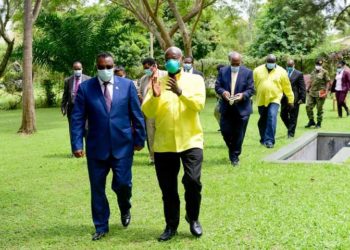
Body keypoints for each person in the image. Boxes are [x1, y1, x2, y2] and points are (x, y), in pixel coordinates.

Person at [71, 52, 146, 241]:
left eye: (108, 67)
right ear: (96, 68)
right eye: (101, 67)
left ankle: (125, 206)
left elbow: (136, 115)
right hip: (96, 147)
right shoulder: (86, 88)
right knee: (97, 188)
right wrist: (77, 143)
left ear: (114, 67)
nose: (105, 70)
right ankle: (101, 226)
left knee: (122, 184)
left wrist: (139, 139)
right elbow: (78, 117)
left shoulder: (127, 85)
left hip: (123, 146)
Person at [142, 47, 206, 241]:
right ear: (164, 61)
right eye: (168, 58)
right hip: (164, 144)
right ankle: (171, 225)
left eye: (175, 57)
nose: (171, 61)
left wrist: (180, 93)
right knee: (168, 188)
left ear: (182, 60)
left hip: (191, 141)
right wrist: (155, 95)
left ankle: (193, 218)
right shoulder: (156, 81)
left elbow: (199, 105)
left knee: (193, 182)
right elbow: (148, 112)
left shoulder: (195, 80)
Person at [215, 52, 254, 166]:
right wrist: (223, 92)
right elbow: (217, 86)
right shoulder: (223, 71)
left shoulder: (247, 72)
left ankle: (235, 157)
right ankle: (232, 150)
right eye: (233, 64)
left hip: (242, 108)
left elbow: (251, 89)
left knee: (238, 134)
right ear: (229, 61)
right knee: (225, 131)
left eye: (238, 64)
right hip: (226, 108)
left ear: (241, 62)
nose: (235, 66)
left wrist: (242, 95)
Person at [253, 54, 294, 148]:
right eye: (269, 62)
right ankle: (263, 139)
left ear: (275, 62)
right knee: (262, 120)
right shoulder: (257, 70)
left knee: (272, 116)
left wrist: (290, 100)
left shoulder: (282, 72)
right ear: (266, 61)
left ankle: (270, 141)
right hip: (261, 99)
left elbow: (287, 87)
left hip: (275, 99)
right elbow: (251, 84)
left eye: (272, 62)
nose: (270, 64)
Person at [138, 57, 167, 165]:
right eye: (144, 68)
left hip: (163, 110)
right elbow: (141, 92)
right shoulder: (144, 79)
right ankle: (153, 157)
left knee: (163, 133)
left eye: (147, 68)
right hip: (149, 112)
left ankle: (166, 155)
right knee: (151, 135)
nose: (146, 70)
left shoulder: (165, 75)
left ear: (155, 66)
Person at [61, 61, 90, 154]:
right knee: (73, 130)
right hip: (72, 109)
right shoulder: (68, 80)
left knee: (87, 130)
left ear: (82, 69)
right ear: (73, 69)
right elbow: (65, 95)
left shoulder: (88, 79)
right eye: (75, 69)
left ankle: (88, 151)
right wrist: (63, 106)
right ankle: (75, 151)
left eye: (79, 69)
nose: (77, 70)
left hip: (86, 109)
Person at [280, 59, 306, 138]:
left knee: (293, 116)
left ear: (294, 65)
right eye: (288, 66)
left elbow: (302, 87)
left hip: (295, 98)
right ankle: (290, 128)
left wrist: (302, 98)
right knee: (283, 115)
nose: (289, 67)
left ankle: (290, 134)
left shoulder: (299, 74)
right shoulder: (283, 73)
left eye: (291, 66)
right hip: (284, 98)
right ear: (286, 66)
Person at [305, 59, 331, 128]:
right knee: (308, 106)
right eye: (317, 65)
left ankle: (319, 123)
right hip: (312, 92)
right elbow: (311, 81)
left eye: (320, 65)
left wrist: (326, 91)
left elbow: (328, 82)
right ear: (315, 64)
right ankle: (311, 121)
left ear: (321, 65)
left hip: (321, 92)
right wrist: (307, 89)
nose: (318, 66)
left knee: (319, 108)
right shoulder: (313, 72)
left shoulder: (324, 72)